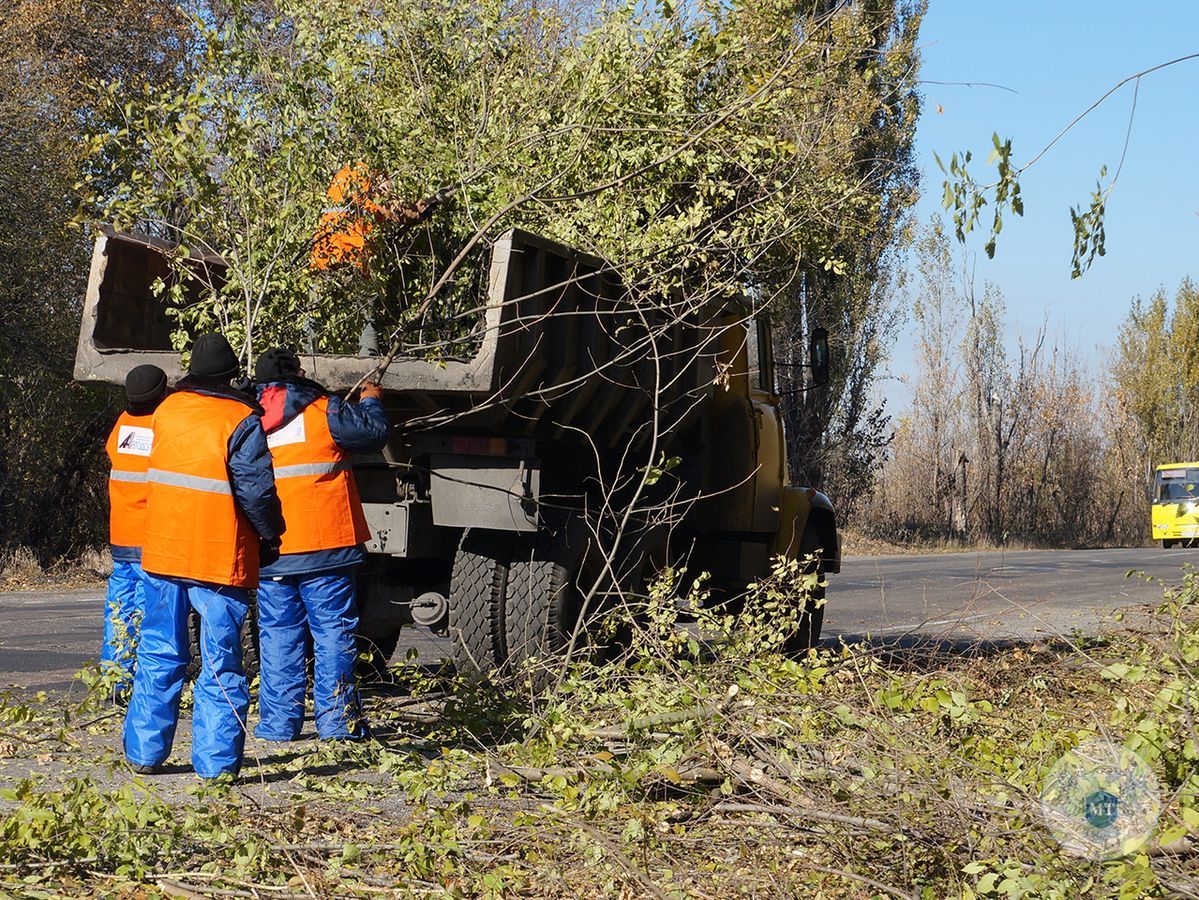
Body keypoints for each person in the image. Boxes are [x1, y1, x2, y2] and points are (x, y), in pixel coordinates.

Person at [123, 334, 285, 779]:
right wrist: (272, 536)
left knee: (158, 652)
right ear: (232, 374)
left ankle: (144, 753)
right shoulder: (241, 419)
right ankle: (214, 767)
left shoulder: (166, 411)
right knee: (220, 662)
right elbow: (256, 490)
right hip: (217, 558)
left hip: (161, 551)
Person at [252, 347, 389, 742]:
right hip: (327, 547)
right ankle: (339, 725)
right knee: (332, 635)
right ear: (298, 375)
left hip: (273, 551)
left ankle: (278, 726)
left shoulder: (247, 418)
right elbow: (374, 435)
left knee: (278, 636)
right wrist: (370, 400)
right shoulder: (324, 410)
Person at [102, 364, 168, 695]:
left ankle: (114, 678)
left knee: (119, 608)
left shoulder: (122, 426)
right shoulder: (161, 427)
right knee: (146, 610)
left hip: (121, 533)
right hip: (149, 535)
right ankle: (142, 685)